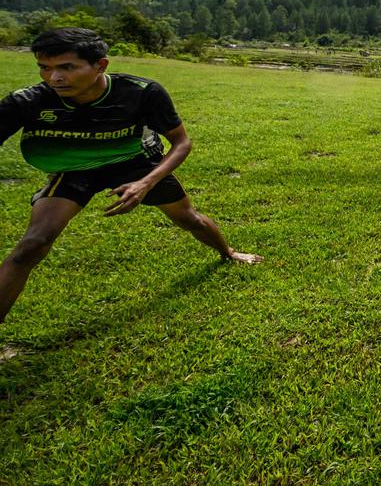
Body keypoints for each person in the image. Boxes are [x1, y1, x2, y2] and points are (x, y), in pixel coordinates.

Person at [0, 28, 261, 325]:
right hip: (76, 169)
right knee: (33, 244)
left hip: (133, 163)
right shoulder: (27, 102)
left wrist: (145, 182)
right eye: (45, 68)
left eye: (66, 68)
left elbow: (181, 143)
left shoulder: (141, 92)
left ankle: (228, 252)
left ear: (101, 65)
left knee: (188, 218)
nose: (54, 78)